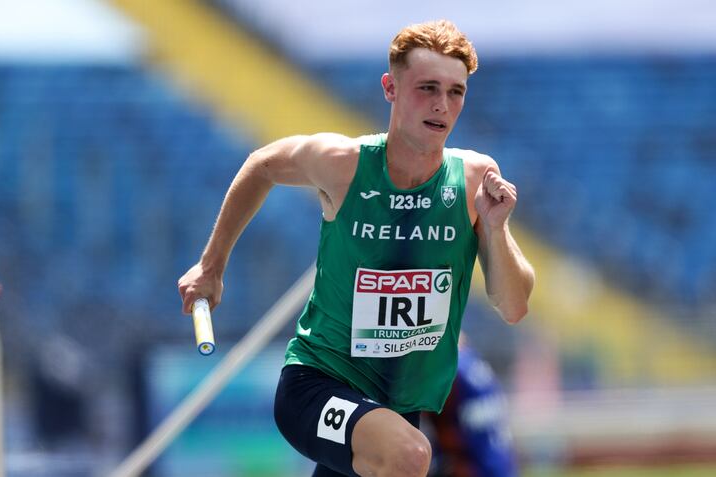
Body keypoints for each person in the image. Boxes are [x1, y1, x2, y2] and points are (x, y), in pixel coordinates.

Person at [178, 19, 534, 477]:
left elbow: (514, 305)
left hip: (396, 405)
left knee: (403, 447)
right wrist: (212, 265)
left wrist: (496, 228)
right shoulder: (342, 164)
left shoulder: (472, 182)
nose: (442, 106)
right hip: (317, 386)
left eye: (456, 92)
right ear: (390, 88)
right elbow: (262, 165)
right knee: (409, 455)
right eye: (427, 88)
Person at [423, 334, 519, 477]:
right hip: (502, 466)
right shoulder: (476, 363)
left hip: (473, 468)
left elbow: (446, 432)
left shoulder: (447, 370)